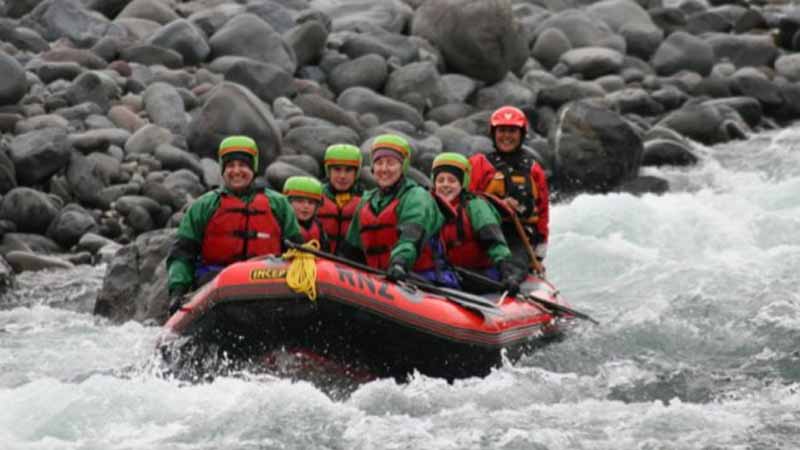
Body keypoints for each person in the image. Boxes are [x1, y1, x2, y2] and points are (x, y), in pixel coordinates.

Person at [166, 135, 303, 315]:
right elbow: (182, 253)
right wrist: (178, 291)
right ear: (223, 170)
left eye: (243, 165)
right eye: (230, 165)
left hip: (267, 283)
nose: (236, 171)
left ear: (253, 168)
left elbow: (298, 251)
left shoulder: (278, 204)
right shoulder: (204, 206)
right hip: (215, 284)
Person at [341, 134, 457, 287]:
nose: (384, 169)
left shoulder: (417, 196)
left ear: (403, 167)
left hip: (422, 279)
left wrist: (399, 263)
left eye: (391, 163)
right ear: (373, 168)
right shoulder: (367, 201)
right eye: (379, 163)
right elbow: (352, 249)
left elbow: (411, 238)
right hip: (379, 280)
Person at [469, 105, 550, 273]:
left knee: (513, 268)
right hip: (486, 232)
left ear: (522, 134)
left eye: (512, 131)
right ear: (493, 134)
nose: (506, 136)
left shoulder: (534, 169)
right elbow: (467, 201)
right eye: (502, 131)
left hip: (520, 237)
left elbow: (542, 213)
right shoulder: (479, 163)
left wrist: (539, 254)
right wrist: (498, 204)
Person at [431, 152, 525, 295]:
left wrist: (507, 272)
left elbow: (495, 243)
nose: (445, 185)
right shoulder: (430, 208)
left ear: (462, 184)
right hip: (450, 272)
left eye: (452, 180)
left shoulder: (476, 207)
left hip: (483, 274)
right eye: (440, 180)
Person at [317, 144, 363, 254]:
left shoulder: (366, 201)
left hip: (352, 263)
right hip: (320, 260)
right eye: (337, 170)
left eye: (348, 170)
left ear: (356, 173)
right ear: (328, 171)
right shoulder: (314, 198)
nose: (342, 176)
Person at [282, 175, 329, 251]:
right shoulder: (282, 226)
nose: (306, 206)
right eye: (299, 201)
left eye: (311, 202)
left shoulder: (319, 226)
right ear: (288, 203)